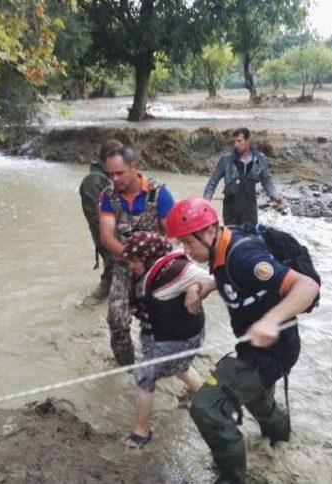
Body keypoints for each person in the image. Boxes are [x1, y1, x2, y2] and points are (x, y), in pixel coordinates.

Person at [165, 197, 319, 484]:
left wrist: (272, 321)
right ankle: (282, 440)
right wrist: (208, 286)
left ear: (210, 232)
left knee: (206, 408)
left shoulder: (245, 257)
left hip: (273, 350)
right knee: (259, 402)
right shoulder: (221, 244)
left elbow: (307, 287)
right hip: (257, 345)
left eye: (188, 243)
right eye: (181, 244)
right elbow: (228, 275)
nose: (185, 252)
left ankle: (231, 479)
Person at [121, 231, 212, 449]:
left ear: (147, 257)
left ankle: (141, 432)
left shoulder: (177, 271)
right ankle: (203, 393)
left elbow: (215, 279)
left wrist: (194, 288)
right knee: (180, 368)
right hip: (168, 332)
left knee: (145, 375)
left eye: (132, 261)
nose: (129, 266)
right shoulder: (149, 268)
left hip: (181, 337)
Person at [99, 146, 176, 366]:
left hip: (158, 268)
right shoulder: (108, 196)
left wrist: (150, 259)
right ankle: (127, 370)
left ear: (134, 168)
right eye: (110, 174)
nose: (114, 179)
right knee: (117, 320)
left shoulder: (159, 193)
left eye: (119, 173)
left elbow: (174, 236)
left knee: (164, 324)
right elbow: (106, 235)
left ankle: (169, 367)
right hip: (125, 265)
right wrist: (132, 259)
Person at [203, 128, 283, 230]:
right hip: (230, 210)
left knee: (251, 241)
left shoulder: (259, 159)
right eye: (233, 142)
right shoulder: (225, 160)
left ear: (247, 141)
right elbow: (212, 183)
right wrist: (206, 202)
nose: (236, 145)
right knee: (232, 241)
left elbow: (266, 180)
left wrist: (274, 195)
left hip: (250, 210)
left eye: (239, 141)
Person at [79, 139, 123, 302]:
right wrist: (110, 241)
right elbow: (95, 218)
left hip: (114, 234)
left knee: (118, 273)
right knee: (113, 271)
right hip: (106, 235)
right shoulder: (93, 181)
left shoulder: (106, 178)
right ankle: (88, 306)